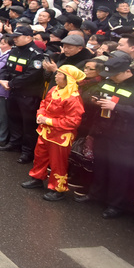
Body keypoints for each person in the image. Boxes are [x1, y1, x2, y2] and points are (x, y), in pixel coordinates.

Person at [20, 65, 85, 201]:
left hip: (60, 136)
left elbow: (72, 122)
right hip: (46, 132)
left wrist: (47, 120)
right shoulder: (54, 90)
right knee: (39, 156)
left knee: (58, 163)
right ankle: (37, 178)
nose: (56, 76)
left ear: (68, 79)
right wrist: (40, 114)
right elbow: (44, 103)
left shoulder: (73, 99)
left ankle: (58, 189)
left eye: (59, 74)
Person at [86, 52, 134, 218]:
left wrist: (117, 108)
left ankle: (115, 205)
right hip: (103, 129)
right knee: (100, 165)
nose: (110, 78)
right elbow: (91, 93)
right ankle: (95, 194)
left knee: (118, 172)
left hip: (124, 137)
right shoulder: (109, 81)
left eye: (113, 75)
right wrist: (94, 99)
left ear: (126, 72)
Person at [0, 25, 47, 163]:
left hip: (28, 94)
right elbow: (5, 67)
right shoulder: (14, 50)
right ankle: (14, 143)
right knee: (14, 119)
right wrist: (3, 79)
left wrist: (12, 83)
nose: (14, 40)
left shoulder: (36, 54)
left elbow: (32, 74)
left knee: (28, 124)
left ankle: (27, 151)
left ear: (28, 37)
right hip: (14, 92)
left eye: (17, 37)